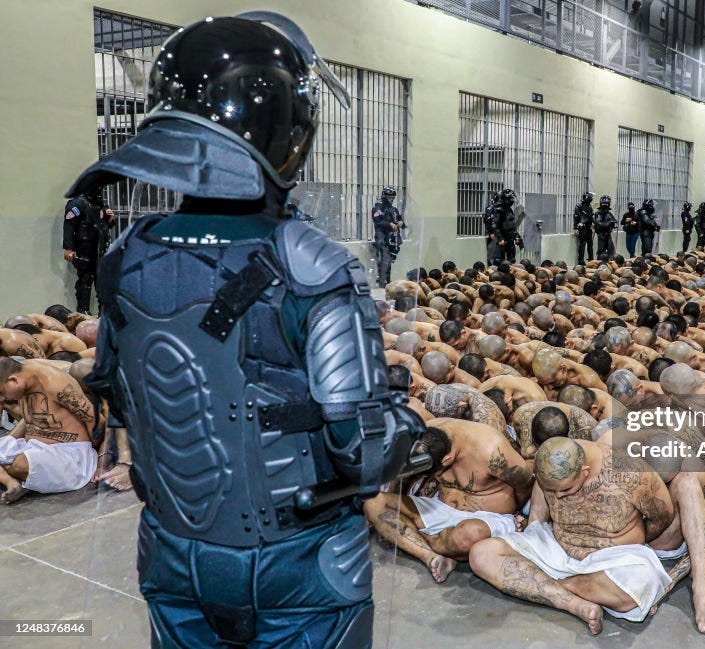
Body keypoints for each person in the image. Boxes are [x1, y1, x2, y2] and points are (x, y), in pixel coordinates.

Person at [68, 13, 424, 648]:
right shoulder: (313, 265)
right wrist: (411, 429)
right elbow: (364, 452)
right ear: (289, 131)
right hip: (300, 568)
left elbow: (120, 398)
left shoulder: (126, 256)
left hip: (172, 554)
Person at [469, 437, 675, 635]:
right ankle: (576, 604)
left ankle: (547, 586)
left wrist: (630, 541)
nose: (558, 496)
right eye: (552, 490)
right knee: (482, 554)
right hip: (556, 549)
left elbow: (662, 517)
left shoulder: (631, 473)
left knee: (640, 583)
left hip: (614, 560)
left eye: (566, 489)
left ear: (585, 472)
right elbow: (540, 498)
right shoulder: (548, 461)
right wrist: (534, 529)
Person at [363, 420, 532, 583]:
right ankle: (430, 556)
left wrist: (522, 515)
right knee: (373, 501)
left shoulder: (491, 449)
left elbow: (525, 483)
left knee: (466, 537)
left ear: (447, 459)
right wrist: (389, 509)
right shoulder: (422, 436)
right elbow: (403, 472)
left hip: (487, 517)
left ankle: (419, 537)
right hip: (439, 506)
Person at [0, 357, 98, 504]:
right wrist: (6, 442)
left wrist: (100, 459)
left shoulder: (54, 383)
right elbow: (29, 419)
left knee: (19, 465)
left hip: (69, 452)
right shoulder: (24, 375)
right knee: (14, 460)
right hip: (34, 448)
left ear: (14, 380)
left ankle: (19, 476)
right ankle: (12, 483)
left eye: (1, 393)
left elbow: (95, 420)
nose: (1, 399)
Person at [62, 187, 115, 314]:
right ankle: (83, 311)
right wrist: (68, 248)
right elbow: (69, 226)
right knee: (85, 279)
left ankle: (103, 313)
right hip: (84, 248)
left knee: (102, 281)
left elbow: (105, 226)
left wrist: (111, 219)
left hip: (100, 248)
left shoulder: (101, 204)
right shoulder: (77, 204)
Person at [372, 186, 406, 288]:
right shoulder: (377, 208)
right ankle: (382, 280)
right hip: (382, 237)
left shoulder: (394, 209)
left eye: (392, 197)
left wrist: (401, 223)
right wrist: (389, 224)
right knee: (384, 258)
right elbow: (377, 222)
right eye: (389, 197)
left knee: (390, 259)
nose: (391, 199)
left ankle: (387, 279)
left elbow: (400, 220)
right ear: (384, 197)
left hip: (392, 238)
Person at [494, 189, 522, 263]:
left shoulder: (509, 210)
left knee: (512, 259)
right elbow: (495, 226)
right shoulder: (499, 210)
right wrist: (500, 238)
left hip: (510, 238)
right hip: (502, 237)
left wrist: (516, 236)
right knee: (499, 261)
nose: (512, 202)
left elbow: (511, 225)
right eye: (510, 199)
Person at [574, 192, 595, 264]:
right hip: (582, 228)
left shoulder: (589, 206)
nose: (591, 199)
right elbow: (576, 217)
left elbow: (591, 216)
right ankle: (581, 261)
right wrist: (576, 228)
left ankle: (591, 260)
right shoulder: (579, 205)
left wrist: (594, 223)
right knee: (582, 244)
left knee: (590, 244)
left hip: (589, 227)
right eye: (590, 197)